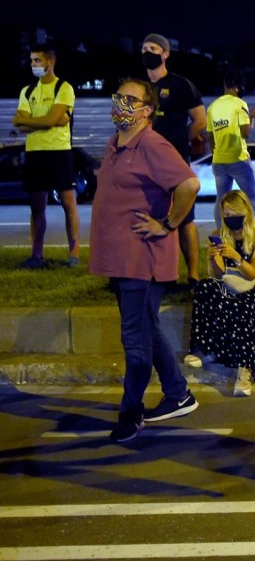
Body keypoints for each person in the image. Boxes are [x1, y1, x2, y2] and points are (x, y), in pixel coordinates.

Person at [89, 78, 201, 442]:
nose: (120, 103)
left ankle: (130, 412)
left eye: (129, 99)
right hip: (118, 259)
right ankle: (178, 392)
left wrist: (168, 224)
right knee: (146, 329)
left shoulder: (152, 143)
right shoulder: (115, 143)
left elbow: (189, 185)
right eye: (118, 97)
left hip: (141, 261)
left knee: (135, 343)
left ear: (147, 110)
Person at [184, 190, 255, 397]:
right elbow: (217, 276)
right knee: (205, 287)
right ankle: (203, 348)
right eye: (226, 215)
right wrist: (212, 258)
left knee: (241, 304)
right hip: (230, 285)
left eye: (235, 214)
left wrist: (236, 257)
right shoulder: (220, 234)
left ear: (246, 212)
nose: (231, 219)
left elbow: (254, 272)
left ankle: (245, 369)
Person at [142, 33, 207, 286]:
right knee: (150, 218)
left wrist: (180, 143)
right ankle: (155, 274)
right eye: (144, 48)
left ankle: (193, 276)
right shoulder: (141, 89)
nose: (148, 52)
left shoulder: (181, 85)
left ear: (165, 53)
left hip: (176, 162)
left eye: (153, 48)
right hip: (146, 164)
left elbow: (200, 119)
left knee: (184, 219)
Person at [12, 44, 79, 269]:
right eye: (31, 61)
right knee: (36, 207)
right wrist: (46, 121)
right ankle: (36, 255)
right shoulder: (27, 91)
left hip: (59, 152)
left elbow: (28, 122)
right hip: (34, 153)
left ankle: (74, 254)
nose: (33, 65)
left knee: (68, 204)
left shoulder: (64, 88)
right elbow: (19, 125)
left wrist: (28, 121)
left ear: (50, 62)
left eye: (37, 61)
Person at [206, 71, 255, 226]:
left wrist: (218, 154)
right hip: (238, 159)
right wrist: (252, 117)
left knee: (221, 199)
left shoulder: (212, 107)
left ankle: (220, 233)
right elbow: (246, 133)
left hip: (218, 161)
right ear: (238, 87)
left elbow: (211, 138)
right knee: (251, 198)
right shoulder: (239, 104)